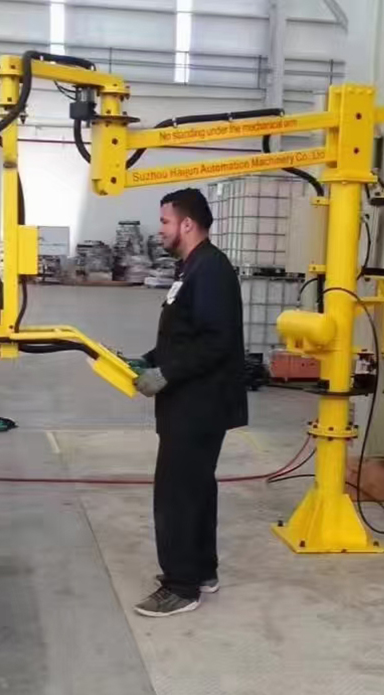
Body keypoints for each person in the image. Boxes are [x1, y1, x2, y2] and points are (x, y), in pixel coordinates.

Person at [130, 188, 248, 618]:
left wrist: (167, 373)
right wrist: (150, 360)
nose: (159, 229)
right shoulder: (192, 267)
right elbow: (186, 336)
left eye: (164, 222)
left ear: (186, 223)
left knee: (176, 493)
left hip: (199, 403)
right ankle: (201, 570)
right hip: (190, 399)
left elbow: (218, 341)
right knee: (195, 487)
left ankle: (181, 587)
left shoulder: (211, 269)